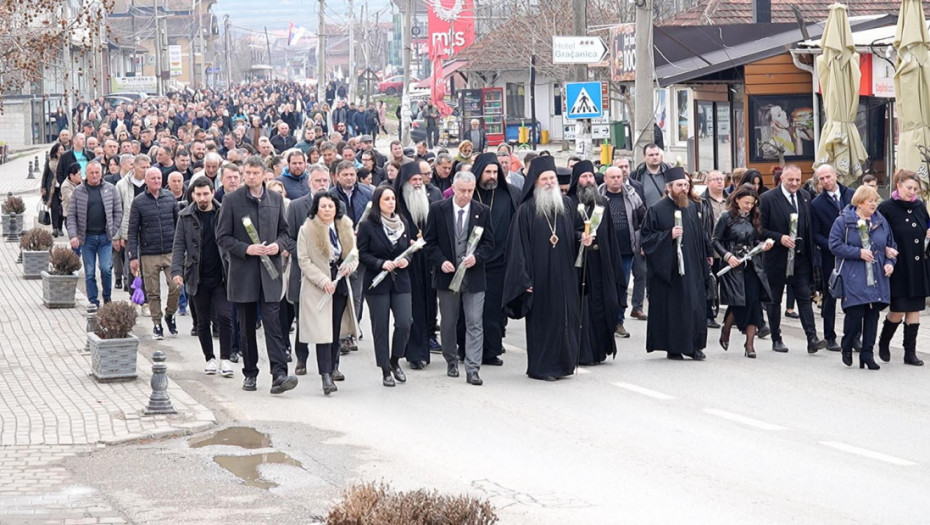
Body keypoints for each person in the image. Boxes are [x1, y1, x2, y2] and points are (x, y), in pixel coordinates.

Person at [215, 156, 299, 395]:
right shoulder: (231, 200)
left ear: (264, 174)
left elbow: (285, 232)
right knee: (247, 325)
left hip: (270, 274)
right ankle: (250, 373)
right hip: (244, 274)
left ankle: (279, 375)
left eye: (254, 173)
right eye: (247, 173)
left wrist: (278, 245)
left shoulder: (275, 199)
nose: (250, 177)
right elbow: (222, 237)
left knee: (274, 324)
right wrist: (245, 248)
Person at [502, 155, 588, 380]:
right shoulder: (526, 211)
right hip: (539, 279)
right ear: (535, 182)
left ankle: (564, 365)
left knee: (566, 320)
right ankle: (542, 368)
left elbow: (577, 232)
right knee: (544, 323)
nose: (550, 182)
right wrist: (524, 280)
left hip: (566, 275)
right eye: (544, 179)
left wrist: (584, 238)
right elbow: (517, 250)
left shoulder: (567, 205)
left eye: (552, 178)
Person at [424, 171, 494, 385]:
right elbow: (429, 242)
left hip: (473, 278)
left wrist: (478, 257)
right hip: (447, 278)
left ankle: (473, 368)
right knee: (448, 322)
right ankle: (451, 359)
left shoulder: (482, 211)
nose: (466, 195)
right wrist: (440, 261)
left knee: (474, 322)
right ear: (453, 188)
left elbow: (490, 244)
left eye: (470, 191)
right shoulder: (438, 210)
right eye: (462, 190)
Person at [640, 167, 713, 360]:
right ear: (669, 187)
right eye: (679, 185)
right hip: (669, 270)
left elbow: (701, 233)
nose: (683, 188)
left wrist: (708, 252)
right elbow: (646, 240)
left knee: (693, 305)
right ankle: (673, 347)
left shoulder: (691, 207)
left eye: (686, 185)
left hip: (692, 266)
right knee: (673, 309)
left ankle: (692, 346)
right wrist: (667, 236)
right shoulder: (656, 210)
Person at [296, 191, 360, 395]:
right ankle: (325, 376)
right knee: (323, 332)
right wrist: (323, 280)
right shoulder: (307, 229)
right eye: (323, 206)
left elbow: (353, 254)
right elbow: (304, 260)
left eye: (330, 206)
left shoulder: (344, 226)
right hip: (318, 286)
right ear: (316, 208)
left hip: (339, 282)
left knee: (334, 330)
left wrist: (349, 267)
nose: (327, 210)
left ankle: (333, 367)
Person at [170, 177, 234, 378]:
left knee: (225, 317)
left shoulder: (224, 212)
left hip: (222, 276)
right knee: (203, 321)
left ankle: (225, 359)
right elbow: (179, 245)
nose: (202, 198)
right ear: (193, 195)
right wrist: (176, 271)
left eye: (206, 193)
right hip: (197, 276)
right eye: (198, 194)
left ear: (212, 193)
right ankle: (210, 358)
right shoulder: (185, 216)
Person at [760, 164, 826, 354]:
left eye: (798, 180)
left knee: (804, 297)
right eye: (791, 180)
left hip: (801, 258)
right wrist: (780, 238)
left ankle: (812, 338)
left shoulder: (805, 197)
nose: (795, 183)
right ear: (782, 179)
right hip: (777, 258)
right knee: (775, 299)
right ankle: (776, 337)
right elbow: (759, 229)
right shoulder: (768, 199)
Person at [828, 185, 896, 370]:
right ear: (859, 202)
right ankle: (847, 346)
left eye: (876, 200)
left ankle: (867, 353)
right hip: (854, 273)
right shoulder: (844, 221)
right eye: (870, 201)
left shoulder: (880, 220)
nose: (874, 204)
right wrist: (858, 253)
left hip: (877, 275)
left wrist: (890, 261)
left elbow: (890, 244)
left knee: (873, 314)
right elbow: (834, 245)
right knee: (855, 313)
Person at [567, 160, 625, 365]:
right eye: (584, 177)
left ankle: (599, 350)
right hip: (579, 265)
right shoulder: (569, 203)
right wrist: (579, 237)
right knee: (584, 310)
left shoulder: (602, 203)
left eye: (591, 176)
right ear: (577, 180)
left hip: (601, 263)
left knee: (602, 306)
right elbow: (566, 233)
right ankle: (582, 353)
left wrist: (615, 267)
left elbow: (609, 236)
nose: (588, 180)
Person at [357, 186, 412, 387]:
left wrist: (408, 259)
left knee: (405, 322)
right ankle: (385, 369)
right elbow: (362, 254)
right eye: (386, 199)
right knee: (380, 327)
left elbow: (409, 250)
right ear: (378, 202)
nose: (391, 202)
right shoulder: (367, 225)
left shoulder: (403, 223)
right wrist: (380, 263)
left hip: (401, 280)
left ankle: (395, 360)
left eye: (393, 199)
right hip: (377, 283)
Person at [470, 152, 520, 365]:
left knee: (492, 311)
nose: (491, 176)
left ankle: (490, 350)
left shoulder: (510, 195)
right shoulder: (469, 194)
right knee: (471, 313)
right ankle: (467, 350)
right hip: (472, 263)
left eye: (495, 172)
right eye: (487, 172)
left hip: (499, 263)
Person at [713, 185, 774, 358]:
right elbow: (715, 240)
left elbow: (757, 240)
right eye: (746, 202)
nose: (748, 206)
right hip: (733, 265)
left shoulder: (755, 217)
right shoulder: (726, 217)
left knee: (753, 302)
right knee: (738, 301)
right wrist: (727, 256)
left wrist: (764, 245)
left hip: (752, 264)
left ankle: (750, 344)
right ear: (737, 200)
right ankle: (726, 329)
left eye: (752, 203)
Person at [876, 170, 929, 366]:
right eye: (909, 188)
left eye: (915, 189)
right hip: (898, 265)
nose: (912, 192)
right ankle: (884, 341)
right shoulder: (886, 208)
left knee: (915, 308)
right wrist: (886, 250)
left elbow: (926, 225)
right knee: (898, 309)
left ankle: (910, 352)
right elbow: (880, 235)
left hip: (918, 265)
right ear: (898, 185)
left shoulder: (920, 207)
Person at [285, 164, 333, 376]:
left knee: (330, 321)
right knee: (302, 316)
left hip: (330, 275)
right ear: (309, 182)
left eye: (325, 181)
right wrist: (305, 256)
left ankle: (331, 366)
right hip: (303, 272)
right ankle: (302, 358)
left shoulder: (335, 205)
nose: (322, 184)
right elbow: (288, 238)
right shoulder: (296, 207)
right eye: (317, 181)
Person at [393, 160, 440, 369]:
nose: (419, 184)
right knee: (412, 310)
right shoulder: (397, 206)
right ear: (405, 183)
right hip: (406, 264)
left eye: (421, 180)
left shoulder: (427, 202)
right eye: (414, 180)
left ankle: (423, 349)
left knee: (427, 306)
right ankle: (414, 353)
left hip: (426, 263)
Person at [128, 167, 181, 340]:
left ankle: (170, 314)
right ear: (146, 180)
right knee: (153, 291)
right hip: (149, 253)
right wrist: (133, 256)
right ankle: (157, 324)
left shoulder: (170, 197)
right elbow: (133, 230)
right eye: (153, 178)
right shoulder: (139, 202)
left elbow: (179, 224)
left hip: (170, 251)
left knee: (176, 286)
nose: (157, 181)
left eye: (159, 178)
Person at [65, 161, 123, 307]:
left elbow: (118, 212)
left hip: (105, 237)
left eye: (97, 172)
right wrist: (73, 235)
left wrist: (113, 229)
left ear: (101, 173)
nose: (95, 175)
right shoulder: (79, 191)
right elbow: (71, 215)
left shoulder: (110, 189)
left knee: (106, 269)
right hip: (87, 238)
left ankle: (107, 298)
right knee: (89, 272)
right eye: (91, 173)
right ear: (86, 174)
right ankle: (93, 301)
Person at [331, 160, 374, 353]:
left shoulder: (367, 194)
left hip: (360, 252)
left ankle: (351, 332)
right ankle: (339, 334)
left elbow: (374, 220)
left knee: (356, 294)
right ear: (337, 176)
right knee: (340, 293)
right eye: (345, 175)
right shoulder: (329, 196)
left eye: (352, 174)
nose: (349, 178)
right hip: (337, 253)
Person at [810, 164, 854, 351]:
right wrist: (832, 245)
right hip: (831, 256)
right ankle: (829, 336)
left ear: (836, 175)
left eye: (828, 177)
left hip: (854, 254)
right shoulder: (816, 204)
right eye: (821, 179)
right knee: (830, 295)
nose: (826, 181)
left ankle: (854, 336)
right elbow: (815, 233)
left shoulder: (851, 194)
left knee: (854, 296)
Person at [702, 170, 728, 328]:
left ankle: (733, 316)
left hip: (728, 250)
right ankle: (710, 314)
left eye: (721, 179)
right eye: (715, 179)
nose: (719, 182)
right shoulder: (702, 201)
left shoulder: (730, 200)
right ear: (708, 182)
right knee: (711, 283)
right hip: (711, 249)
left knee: (730, 283)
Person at [41, 143, 64, 237]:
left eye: (62, 149)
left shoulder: (65, 161)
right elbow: (45, 175)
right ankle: (55, 228)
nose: (61, 151)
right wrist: (43, 187)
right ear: (55, 151)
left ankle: (60, 227)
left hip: (62, 188)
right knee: (54, 208)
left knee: (61, 209)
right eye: (59, 149)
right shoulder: (49, 161)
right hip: (52, 188)